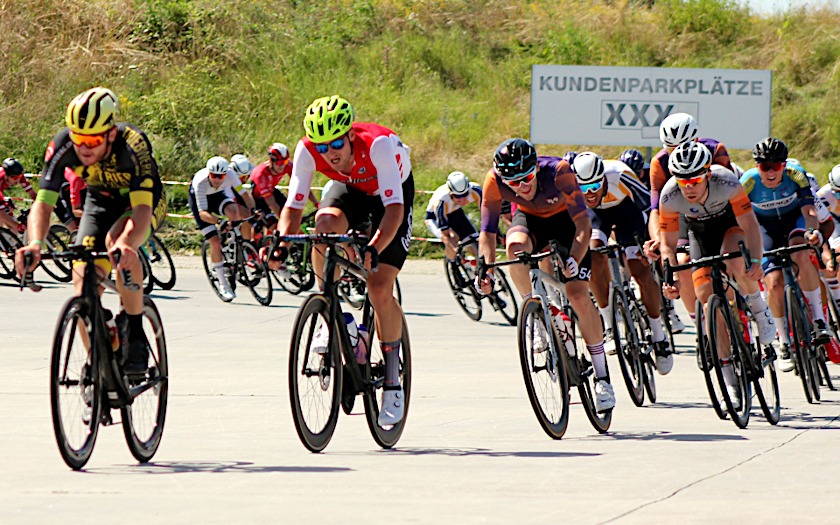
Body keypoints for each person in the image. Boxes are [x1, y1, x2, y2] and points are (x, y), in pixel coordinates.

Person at [274, 95, 413, 426]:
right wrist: (280, 243)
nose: (330, 152)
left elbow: (394, 211)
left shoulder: (378, 146)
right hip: (349, 189)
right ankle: (329, 311)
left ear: (350, 135)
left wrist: (375, 246)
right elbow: (293, 209)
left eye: (336, 142)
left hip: (389, 197)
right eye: (322, 146)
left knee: (379, 287)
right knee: (323, 228)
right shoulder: (307, 151)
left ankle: (392, 379)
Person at [15, 87, 166, 378]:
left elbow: (142, 211)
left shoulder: (132, 145)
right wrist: (34, 243)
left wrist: (127, 242)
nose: (84, 148)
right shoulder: (62, 145)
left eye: (93, 140)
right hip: (99, 201)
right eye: (78, 139)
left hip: (140, 204)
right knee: (82, 280)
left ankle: (134, 332)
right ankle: (98, 363)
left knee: (116, 243)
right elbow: (43, 204)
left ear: (110, 134)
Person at [475, 138, 615, 413]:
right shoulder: (493, 181)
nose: (521, 186)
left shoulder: (559, 172)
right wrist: (485, 268)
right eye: (512, 182)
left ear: (536, 169)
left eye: (526, 178)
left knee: (576, 294)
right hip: (530, 220)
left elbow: (584, 224)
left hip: (568, 224)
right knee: (514, 247)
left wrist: (574, 259)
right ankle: (534, 312)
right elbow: (488, 232)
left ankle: (602, 377)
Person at [659, 142, 774, 407]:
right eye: (682, 180)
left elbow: (750, 224)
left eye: (695, 180)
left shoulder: (728, 183)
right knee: (705, 297)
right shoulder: (670, 196)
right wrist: (671, 277)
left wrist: (755, 260)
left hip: (730, 226)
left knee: (736, 263)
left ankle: (758, 307)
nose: (688, 187)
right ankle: (730, 384)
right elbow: (667, 243)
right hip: (699, 233)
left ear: (707, 174)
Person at [573, 152, 672, 374]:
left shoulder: (620, 175)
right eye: (583, 188)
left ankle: (658, 335)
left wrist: (651, 241)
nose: (589, 193)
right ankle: (609, 325)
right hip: (598, 216)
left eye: (595, 186)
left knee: (639, 269)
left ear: (604, 178)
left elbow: (650, 210)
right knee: (594, 250)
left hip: (629, 213)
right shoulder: (575, 188)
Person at [741, 138, 831, 370]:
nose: (770, 171)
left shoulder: (795, 174)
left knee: (801, 253)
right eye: (764, 166)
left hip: (794, 221)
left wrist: (812, 231)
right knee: (773, 283)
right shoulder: (748, 182)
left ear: (784, 165)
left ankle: (819, 320)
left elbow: (809, 209)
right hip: (764, 229)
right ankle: (783, 340)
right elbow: (740, 220)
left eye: (776, 165)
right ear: (757, 167)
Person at [647, 112, 732, 331]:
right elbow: (655, 210)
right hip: (684, 213)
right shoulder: (659, 162)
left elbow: (729, 196)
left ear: (696, 140)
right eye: (670, 148)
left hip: (718, 207)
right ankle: (701, 325)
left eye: (681, 146)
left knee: (732, 257)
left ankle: (744, 305)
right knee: (682, 262)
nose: (677, 154)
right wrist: (658, 239)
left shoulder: (715, 150)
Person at [189, 155, 256, 301]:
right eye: (214, 176)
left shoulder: (231, 175)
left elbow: (244, 194)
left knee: (234, 211)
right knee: (215, 242)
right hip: (201, 202)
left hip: (217, 196)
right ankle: (223, 284)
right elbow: (203, 213)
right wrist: (219, 221)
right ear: (209, 173)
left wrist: (253, 210)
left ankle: (234, 244)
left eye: (221, 176)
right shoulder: (201, 182)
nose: (218, 180)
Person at [424, 171, 482, 277]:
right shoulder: (441, 202)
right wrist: (453, 248)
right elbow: (445, 234)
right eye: (457, 196)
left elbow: (487, 215)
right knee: (453, 238)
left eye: (465, 194)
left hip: (455, 213)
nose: (462, 199)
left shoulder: (476, 190)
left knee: (476, 245)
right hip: (434, 218)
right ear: (451, 193)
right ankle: (454, 267)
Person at [249, 143, 318, 229]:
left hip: (272, 191)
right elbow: (271, 202)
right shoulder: (261, 174)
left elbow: (303, 185)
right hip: (258, 199)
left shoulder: (288, 166)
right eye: (279, 162)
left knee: (291, 215)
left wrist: (316, 203)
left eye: (285, 161)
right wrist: (284, 220)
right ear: (271, 161)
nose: (282, 165)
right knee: (275, 225)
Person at [0, 158, 32, 233]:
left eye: (19, 176)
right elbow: (1, 214)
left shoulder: (16, 174)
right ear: (5, 176)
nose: (17, 179)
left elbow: (33, 194)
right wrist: (18, 226)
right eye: (14, 177)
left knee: (13, 227)